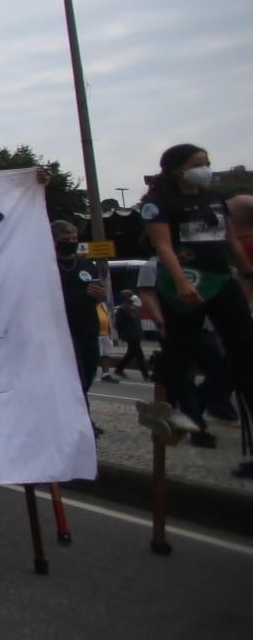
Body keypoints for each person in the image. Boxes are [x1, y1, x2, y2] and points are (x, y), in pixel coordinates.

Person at [132, 144, 253, 460]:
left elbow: (228, 240)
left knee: (244, 344)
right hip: (184, 281)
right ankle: (163, 407)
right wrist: (182, 281)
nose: (205, 168)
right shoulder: (157, 204)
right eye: (198, 163)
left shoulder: (213, 200)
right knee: (183, 349)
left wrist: (247, 272)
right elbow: (163, 246)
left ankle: (232, 406)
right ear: (176, 169)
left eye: (207, 162)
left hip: (221, 278)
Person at [52, 219, 107, 405]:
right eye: (66, 239)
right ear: (54, 240)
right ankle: (83, 419)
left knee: (89, 374)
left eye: (74, 239)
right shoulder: (46, 265)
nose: (72, 243)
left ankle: (81, 414)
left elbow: (101, 292)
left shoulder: (86, 264)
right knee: (76, 379)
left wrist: (101, 295)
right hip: (62, 331)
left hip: (88, 328)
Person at [106, 293, 148, 379]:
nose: (133, 296)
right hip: (129, 335)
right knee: (140, 355)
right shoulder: (122, 309)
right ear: (126, 297)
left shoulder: (136, 308)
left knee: (131, 354)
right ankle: (146, 375)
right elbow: (118, 324)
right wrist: (121, 334)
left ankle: (119, 369)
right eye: (130, 294)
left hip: (137, 334)